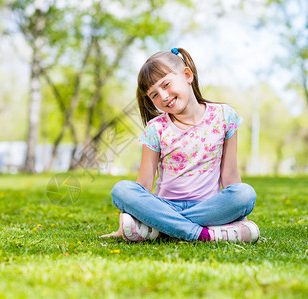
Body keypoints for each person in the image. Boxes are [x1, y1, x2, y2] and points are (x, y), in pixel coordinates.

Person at [100, 47, 259, 243]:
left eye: (166, 85)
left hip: (208, 208)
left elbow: (231, 176)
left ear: (187, 75)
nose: (163, 96)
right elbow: (144, 185)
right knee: (121, 190)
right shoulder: (155, 129)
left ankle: (159, 227)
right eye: (154, 95)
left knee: (245, 194)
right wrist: (137, 209)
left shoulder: (224, 117)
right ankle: (202, 234)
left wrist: (238, 214)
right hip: (165, 207)